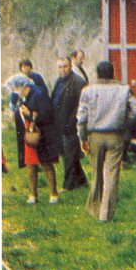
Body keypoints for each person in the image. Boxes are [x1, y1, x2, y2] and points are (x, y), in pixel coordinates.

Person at [77, 60, 136, 221]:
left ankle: (95, 209)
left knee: (97, 172)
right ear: (113, 73)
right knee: (112, 174)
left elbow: (82, 117)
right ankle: (106, 214)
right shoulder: (124, 90)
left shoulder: (87, 91)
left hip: (95, 136)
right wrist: (125, 123)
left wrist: (82, 137)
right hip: (116, 135)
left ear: (97, 74)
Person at [6, 74, 61, 205]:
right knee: (30, 164)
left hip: (42, 134)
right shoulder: (23, 97)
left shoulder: (38, 94)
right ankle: (33, 195)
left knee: (46, 163)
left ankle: (53, 194)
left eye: (14, 88)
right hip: (29, 134)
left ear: (22, 86)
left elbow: (46, 114)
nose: (14, 91)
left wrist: (28, 114)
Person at [50, 56, 88, 191]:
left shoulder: (78, 82)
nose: (62, 70)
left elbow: (80, 106)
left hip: (71, 125)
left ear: (71, 66)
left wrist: (71, 123)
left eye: (65, 66)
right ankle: (82, 181)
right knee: (69, 154)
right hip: (59, 124)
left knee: (69, 155)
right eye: (59, 67)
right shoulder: (59, 81)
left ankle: (68, 186)